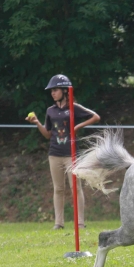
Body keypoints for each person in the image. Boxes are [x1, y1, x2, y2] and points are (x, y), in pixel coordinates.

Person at [25, 74, 101, 229]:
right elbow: (47, 134)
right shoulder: (50, 111)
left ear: (65, 91)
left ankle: (80, 223)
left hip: (71, 154)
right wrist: (37, 123)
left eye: (56, 90)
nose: (52, 93)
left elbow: (95, 117)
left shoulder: (74, 108)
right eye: (51, 90)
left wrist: (78, 127)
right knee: (58, 189)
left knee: (76, 188)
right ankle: (58, 223)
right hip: (54, 154)